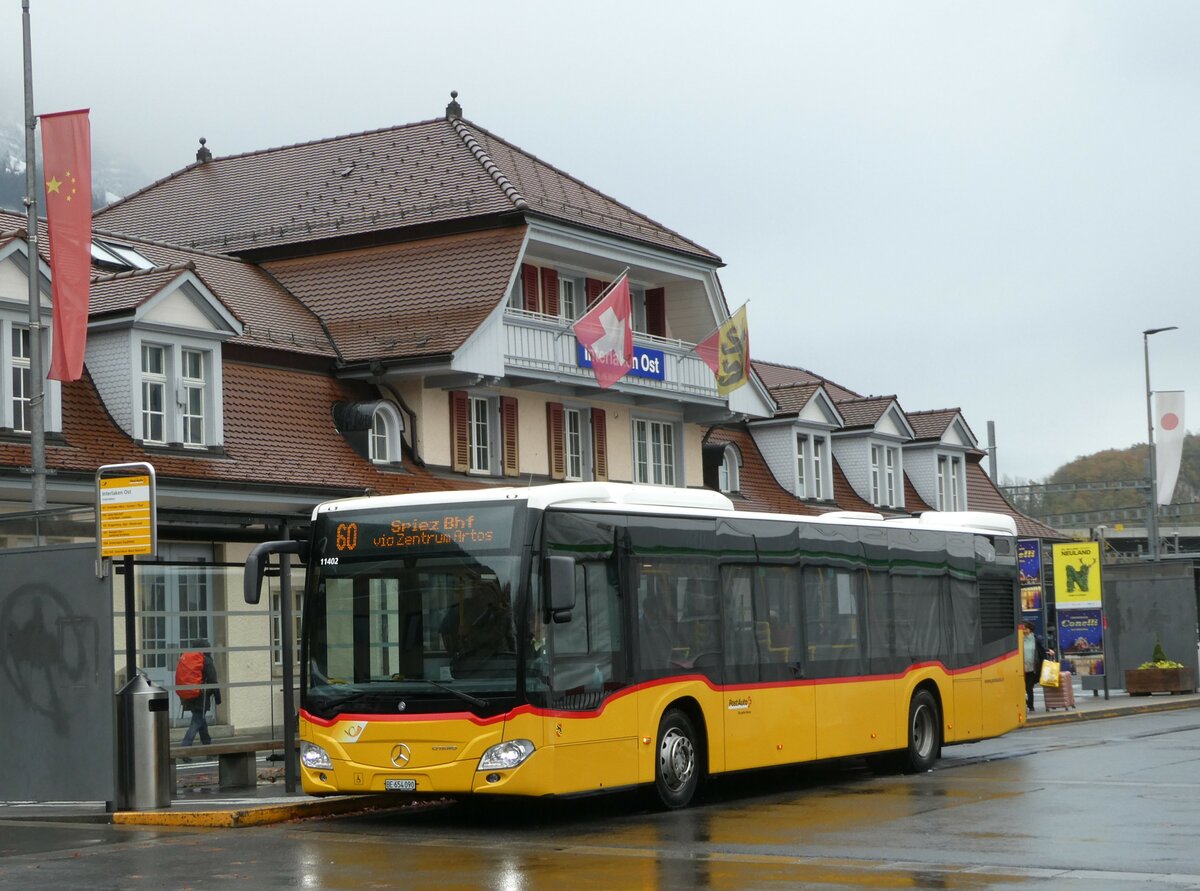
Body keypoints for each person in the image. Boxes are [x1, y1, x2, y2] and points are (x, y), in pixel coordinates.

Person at [179, 638, 221, 746]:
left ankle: (208, 747)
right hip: (201, 697)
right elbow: (213, 680)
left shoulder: (189, 659)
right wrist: (217, 698)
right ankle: (185, 747)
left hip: (189, 696)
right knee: (197, 721)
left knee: (201, 721)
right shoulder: (206, 660)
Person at [1022, 622, 1046, 711]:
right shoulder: (1019, 639)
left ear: (1030, 629)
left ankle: (1031, 706)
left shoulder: (1035, 639)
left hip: (1032, 668)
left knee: (1029, 688)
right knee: (1020, 688)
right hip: (1021, 668)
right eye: (1022, 628)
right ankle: (1026, 702)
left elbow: (1041, 651)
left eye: (1025, 628)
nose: (1023, 630)